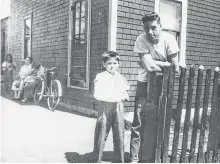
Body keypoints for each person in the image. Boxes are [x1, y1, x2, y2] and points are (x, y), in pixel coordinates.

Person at [130, 12, 180, 163]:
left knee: (160, 120)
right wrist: (165, 64)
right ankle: (134, 157)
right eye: (146, 28)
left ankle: (155, 157)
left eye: (153, 28)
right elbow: (148, 65)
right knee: (139, 121)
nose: (150, 32)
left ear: (161, 27)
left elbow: (175, 66)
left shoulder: (169, 39)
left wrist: (156, 63)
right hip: (144, 84)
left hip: (163, 85)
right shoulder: (141, 39)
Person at [93, 51, 130, 163]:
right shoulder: (101, 77)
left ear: (118, 64)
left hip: (118, 107)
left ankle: (120, 159)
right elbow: (97, 94)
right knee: (102, 132)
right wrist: (114, 97)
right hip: (105, 106)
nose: (112, 66)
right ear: (104, 64)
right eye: (109, 63)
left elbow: (125, 93)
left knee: (119, 132)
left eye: (115, 63)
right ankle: (97, 159)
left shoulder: (120, 77)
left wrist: (124, 96)